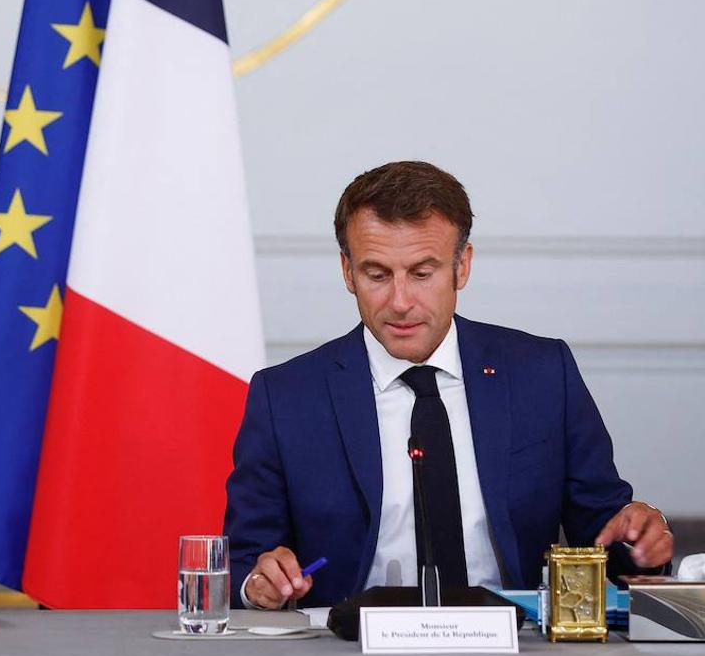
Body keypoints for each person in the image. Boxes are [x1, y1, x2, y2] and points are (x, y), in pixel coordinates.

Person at [224, 162, 673, 609]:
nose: (400, 302)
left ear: (462, 267)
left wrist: (640, 542)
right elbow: (246, 562)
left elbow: (603, 537)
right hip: (346, 654)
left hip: (518, 650)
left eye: (422, 273)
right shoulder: (285, 397)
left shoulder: (541, 374)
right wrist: (259, 581)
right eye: (377, 274)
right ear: (347, 271)